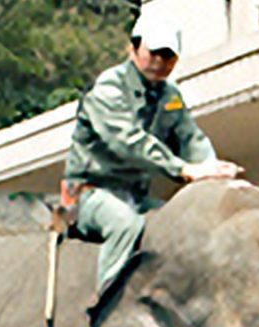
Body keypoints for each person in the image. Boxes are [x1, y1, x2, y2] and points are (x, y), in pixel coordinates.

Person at [63, 8, 242, 290]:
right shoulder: (109, 88)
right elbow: (128, 141)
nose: (160, 61)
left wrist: (214, 172)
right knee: (126, 226)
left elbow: (190, 138)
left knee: (182, 225)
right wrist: (182, 169)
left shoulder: (170, 96)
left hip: (136, 197)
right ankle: (108, 310)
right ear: (132, 49)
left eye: (168, 55)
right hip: (90, 195)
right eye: (153, 52)